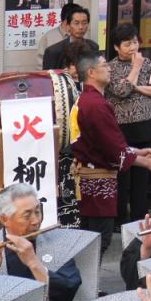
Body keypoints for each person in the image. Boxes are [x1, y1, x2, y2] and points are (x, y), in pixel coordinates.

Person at [69, 52, 151, 254]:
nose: (110, 68)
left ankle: (88, 285)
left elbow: (105, 143)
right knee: (98, 240)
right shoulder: (96, 105)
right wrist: (145, 163)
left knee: (90, 238)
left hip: (89, 180)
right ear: (92, 73)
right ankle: (88, 285)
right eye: (105, 65)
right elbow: (112, 148)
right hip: (97, 183)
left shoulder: (87, 100)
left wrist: (137, 151)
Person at [106, 23, 151, 224]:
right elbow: (121, 91)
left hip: (146, 124)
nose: (133, 47)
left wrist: (137, 88)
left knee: (142, 177)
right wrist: (136, 68)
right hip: (122, 127)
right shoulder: (110, 67)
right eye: (127, 44)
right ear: (116, 47)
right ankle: (120, 220)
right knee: (123, 176)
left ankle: (139, 219)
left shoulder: (147, 62)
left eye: (135, 42)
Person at [55, 41, 93, 229]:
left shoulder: (90, 85)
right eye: (72, 65)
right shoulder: (59, 84)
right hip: (65, 149)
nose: (75, 70)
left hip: (84, 150)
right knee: (66, 191)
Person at [42, 6, 99, 70]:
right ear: (68, 25)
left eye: (84, 23)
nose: (81, 27)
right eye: (76, 23)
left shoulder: (93, 46)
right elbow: (49, 77)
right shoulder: (53, 51)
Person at [36, 3, 82, 69]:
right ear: (67, 22)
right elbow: (41, 66)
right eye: (77, 22)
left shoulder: (80, 36)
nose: (80, 26)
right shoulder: (48, 38)